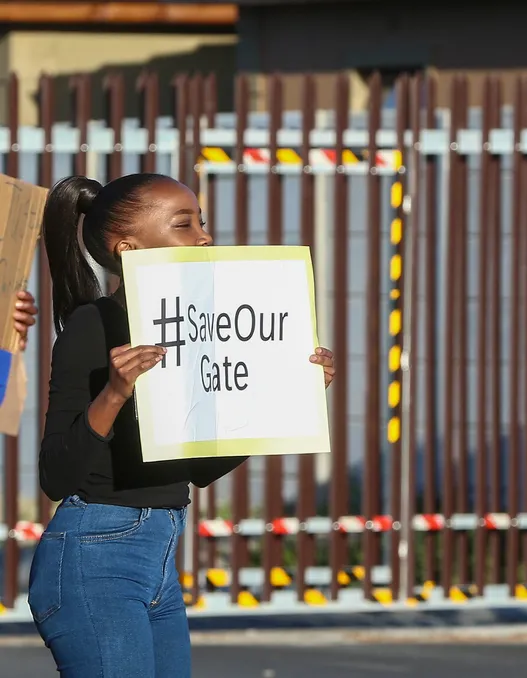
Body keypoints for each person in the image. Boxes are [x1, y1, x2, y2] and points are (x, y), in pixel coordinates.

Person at [27, 173, 336, 678]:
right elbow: (56, 476)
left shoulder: (197, 330)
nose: (204, 236)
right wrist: (115, 392)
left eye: (202, 222)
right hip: (95, 559)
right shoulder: (93, 325)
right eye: (183, 224)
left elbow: (199, 468)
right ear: (128, 248)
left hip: (161, 559)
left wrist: (288, 395)